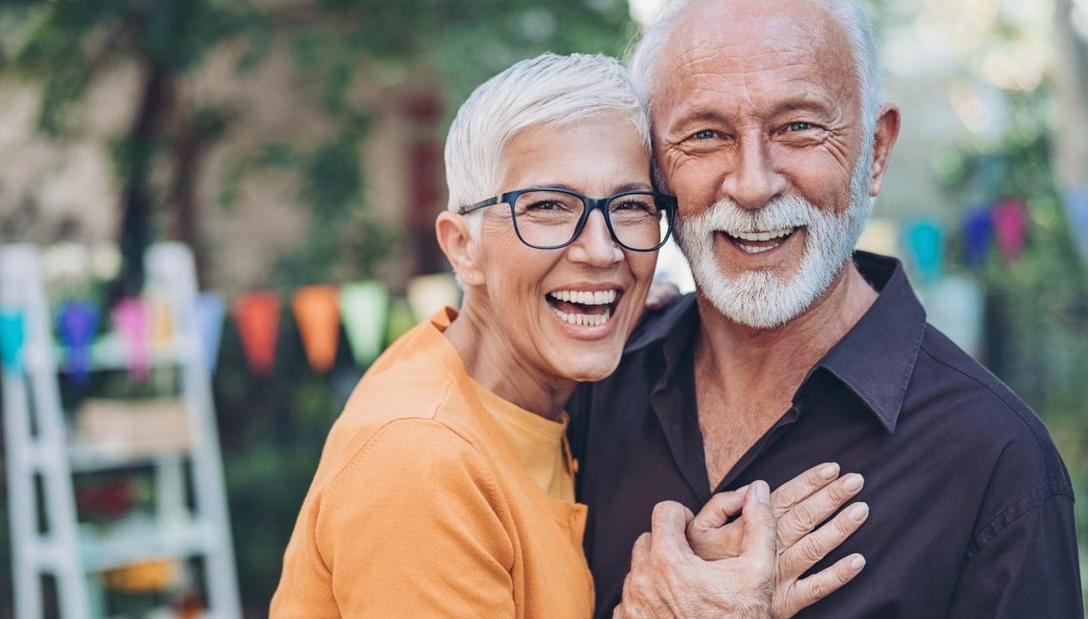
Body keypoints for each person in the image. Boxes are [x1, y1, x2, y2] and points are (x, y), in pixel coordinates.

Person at [270, 52, 866, 618]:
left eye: (630, 207)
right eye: (549, 208)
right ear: (462, 247)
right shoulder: (422, 459)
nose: (602, 251)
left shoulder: (539, 396)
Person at [568, 0, 1085, 617]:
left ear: (877, 152)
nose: (753, 184)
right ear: (653, 165)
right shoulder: (595, 383)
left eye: (799, 127)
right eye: (705, 134)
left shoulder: (993, 458)